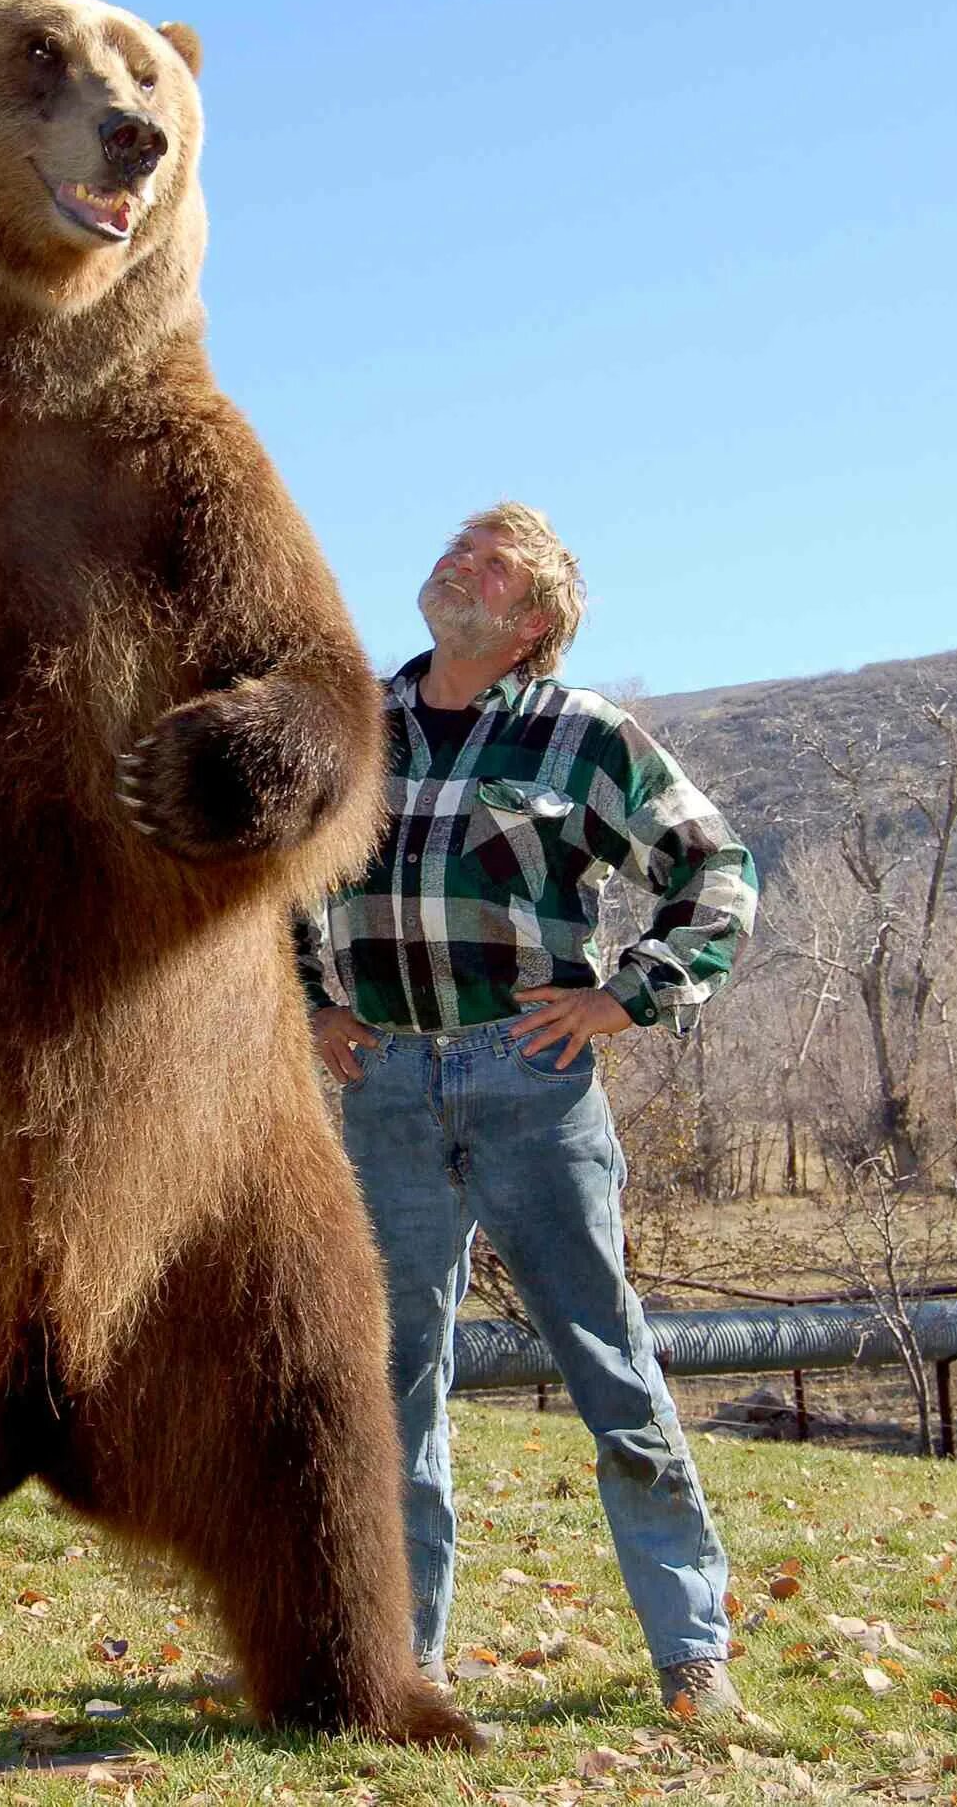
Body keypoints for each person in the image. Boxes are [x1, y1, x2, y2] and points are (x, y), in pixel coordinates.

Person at [294, 501, 758, 1717]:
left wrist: (623, 1000)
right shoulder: (356, 726)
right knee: (391, 1378)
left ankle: (691, 1650)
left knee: (606, 1359)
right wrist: (313, 1010)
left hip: (528, 1081)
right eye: (458, 545)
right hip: (383, 1082)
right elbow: (270, 882)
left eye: (492, 562)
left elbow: (716, 871)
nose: (460, 561)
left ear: (533, 621)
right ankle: (403, 1662)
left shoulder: (584, 738)